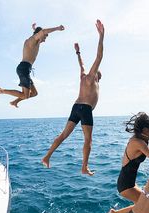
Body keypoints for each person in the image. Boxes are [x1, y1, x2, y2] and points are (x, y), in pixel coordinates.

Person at [41, 20, 104, 176]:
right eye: (99, 75)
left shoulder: (83, 76)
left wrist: (78, 52)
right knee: (88, 141)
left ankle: (47, 157)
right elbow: (99, 56)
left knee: (63, 135)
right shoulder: (91, 77)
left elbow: (81, 65)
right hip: (85, 109)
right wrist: (101, 36)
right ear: (96, 74)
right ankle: (84, 167)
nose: (99, 77)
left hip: (75, 107)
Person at [0, 22, 65, 108]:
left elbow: (38, 34)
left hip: (26, 69)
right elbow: (42, 32)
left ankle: (15, 102)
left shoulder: (34, 41)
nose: (45, 39)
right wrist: (57, 28)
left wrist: (34, 29)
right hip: (24, 68)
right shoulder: (32, 40)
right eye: (45, 36)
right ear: (40, 34)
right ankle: (0, 91)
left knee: (34, 93)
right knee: (25, 96)